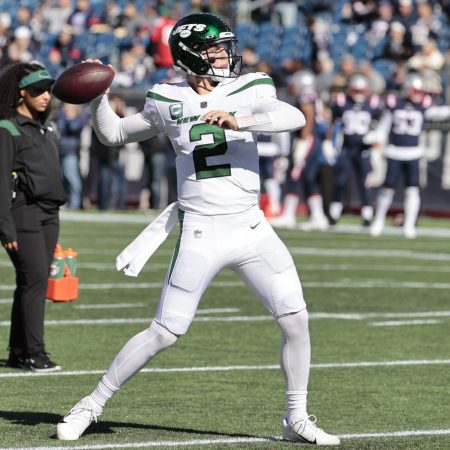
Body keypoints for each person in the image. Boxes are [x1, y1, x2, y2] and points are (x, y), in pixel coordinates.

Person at [56, 13, 340, 446]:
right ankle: (90, 405)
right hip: (201, 230)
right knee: (165, 331)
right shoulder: (165, 99)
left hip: (250, 226)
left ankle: (295, 417)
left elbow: (294, 118)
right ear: (190, 56)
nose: (226, 56)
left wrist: (241, 121)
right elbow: (113, 134)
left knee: (296, 319)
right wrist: (98, 96)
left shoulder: (251, 88)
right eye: (215, 50)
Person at [0, 61, 67, 372]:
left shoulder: (48, 127)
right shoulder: (8, 128)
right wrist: (6, 228)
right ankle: (34, 354)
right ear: (21, 93)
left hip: (49, 213)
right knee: (36, 280)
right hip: (23, 214)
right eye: (38, 90)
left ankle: (18, 350)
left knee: (29, 282)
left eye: (48, 90)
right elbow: (0, 181)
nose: (45, 96)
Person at [369, 71, 450, 238]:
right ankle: (378, 221)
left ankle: (409, 225)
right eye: (416, 91)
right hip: (394, 151)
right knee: (387, 189)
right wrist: (377, 139)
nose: (419, 95)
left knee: (412, 189)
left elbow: (438, 113)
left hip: (413, 152)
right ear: (407, 89)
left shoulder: (423, 106)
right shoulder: (395, 104)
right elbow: (384, 125)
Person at [270, 69, 331, 230]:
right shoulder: (317, 95)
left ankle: (289, 215)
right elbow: (325, 114)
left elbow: (309, 115)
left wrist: (303, 140)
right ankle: (318, 217)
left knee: (295, 175)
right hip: (315, 139)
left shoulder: (306, 95)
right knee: (309, 179)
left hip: (308, 139)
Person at [327, 73, 383, 226]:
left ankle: (367, 215)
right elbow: (332, 122)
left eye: (361, 91)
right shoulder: (342, 101)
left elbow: (381, 123)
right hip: (347, 147)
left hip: (364, 149)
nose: (358, 94)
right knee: (340, 180)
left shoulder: (373, 103)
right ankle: (334, 213)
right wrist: (328, 142)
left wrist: (375, 137)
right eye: (356, 91)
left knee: (364, 182)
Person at [56, 103, 89, 209]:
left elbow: (74, 128)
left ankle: (75, 202)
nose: (64, 106)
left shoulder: (78, 116)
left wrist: (69, 118)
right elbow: (59, 128)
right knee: (61, 177)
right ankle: (64, 202)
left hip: (70, 151)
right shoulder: (61, 115)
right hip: (60, 149)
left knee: (71, 177)